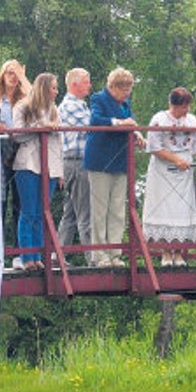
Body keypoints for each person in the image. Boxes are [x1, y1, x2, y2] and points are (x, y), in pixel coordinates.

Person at [85, 67, 142, 268]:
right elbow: (95, 120)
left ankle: (114, 253)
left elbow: (131, 122)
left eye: (129, 90)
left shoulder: (125, 102)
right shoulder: (98, 99)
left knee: (118, 209)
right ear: (113, 86)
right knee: (100, 209)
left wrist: (137, 134)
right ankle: (99, 255)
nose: (127, 94)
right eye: (124, 89)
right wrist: (119, 122)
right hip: (100, 161)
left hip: (120, 162)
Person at [145, 87, 196, 267]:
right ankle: (165, 252)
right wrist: (175, 159)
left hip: (184, 171)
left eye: (187, 106)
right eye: (183, 107)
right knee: (164, 208)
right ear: (173, 105)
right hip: (163, 170)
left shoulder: (192, 120)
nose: (186, 110)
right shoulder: (159, 119)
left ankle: (179, 253)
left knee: (182, 210)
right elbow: (154, 147)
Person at [11, 73, 63, 271]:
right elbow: (17, 135)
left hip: (50, 165)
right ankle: (27, 257)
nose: (56, 92)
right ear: (43, 88)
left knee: (43, 212)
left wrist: (61, 171)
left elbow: (59, 141)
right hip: (28, 163)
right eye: (53, 88)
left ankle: (38, 255)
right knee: (29, 211)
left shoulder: (54, 110)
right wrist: (40, 126)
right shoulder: (23, 106)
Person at [0, 60, 32, 257]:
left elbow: (40, 102)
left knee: (20, 203)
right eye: (9, 72)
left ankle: (20, 253)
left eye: (16, 73)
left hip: (21, 152)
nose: (12, 76)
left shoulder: (26, 98)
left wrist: (24, 77)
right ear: (2, 75)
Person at [57, 68, 92, 255]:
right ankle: (93, 258)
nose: (90, 85)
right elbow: (93, 125)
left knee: (70, 212)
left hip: (74, 161)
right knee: (85, 212)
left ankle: (59, 256)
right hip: (77, 161)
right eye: (86, 82)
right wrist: (119, 123)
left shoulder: (80, 104)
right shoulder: (71, 105)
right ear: (74, 84)